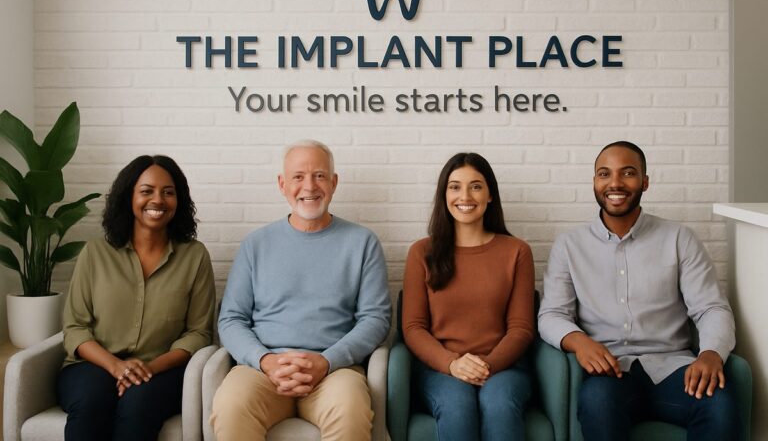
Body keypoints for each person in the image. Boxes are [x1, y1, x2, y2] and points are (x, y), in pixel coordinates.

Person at [538, 141, 738, 441]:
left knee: (719, 404)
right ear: (594, 182)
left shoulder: (679, 238)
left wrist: (711, 353)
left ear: (645, 181)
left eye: (628, 173)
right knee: (597, 403)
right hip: (610, 372)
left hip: (675, 368)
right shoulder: (569, 246)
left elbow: (711, 307)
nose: (615, 183)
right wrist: (579, 342)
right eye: (604, 174)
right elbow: (552, 314)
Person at [211, 140, 391, 441]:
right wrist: (265, 360)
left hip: (334, 370)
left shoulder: (363, 242)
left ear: (334, 183)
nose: (309, 186)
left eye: (320, 175)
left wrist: (327, 361)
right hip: (262, 370)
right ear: (282, 184)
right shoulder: (256, 244)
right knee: (230, 407)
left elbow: (376, 319)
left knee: (351, 411)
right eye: (298, 176)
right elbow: (231, 319)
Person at [58, 155, 216, 441]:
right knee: (92, 402)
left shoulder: (195, 256)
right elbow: (75, 328)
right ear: (128, 197)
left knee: (139, 403)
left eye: (168, 192)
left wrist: (148, 369)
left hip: (163, 371)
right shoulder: (95, 253)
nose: (158, 200)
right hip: (94, 367)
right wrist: (116, 366)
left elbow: (198, 332)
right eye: (146, 191)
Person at [403, 152, 535, 441]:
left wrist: (486, 366)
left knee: (499, 403)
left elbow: (521, 328)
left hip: (504, 367)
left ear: (490, 195)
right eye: (455, 186)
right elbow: (413, 328)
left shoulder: (517, 252)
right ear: (444, 194)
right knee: (457, 405)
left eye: (476, 186)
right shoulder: (421, 252)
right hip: (440, 368)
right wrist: (453, 363)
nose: (465, 195)